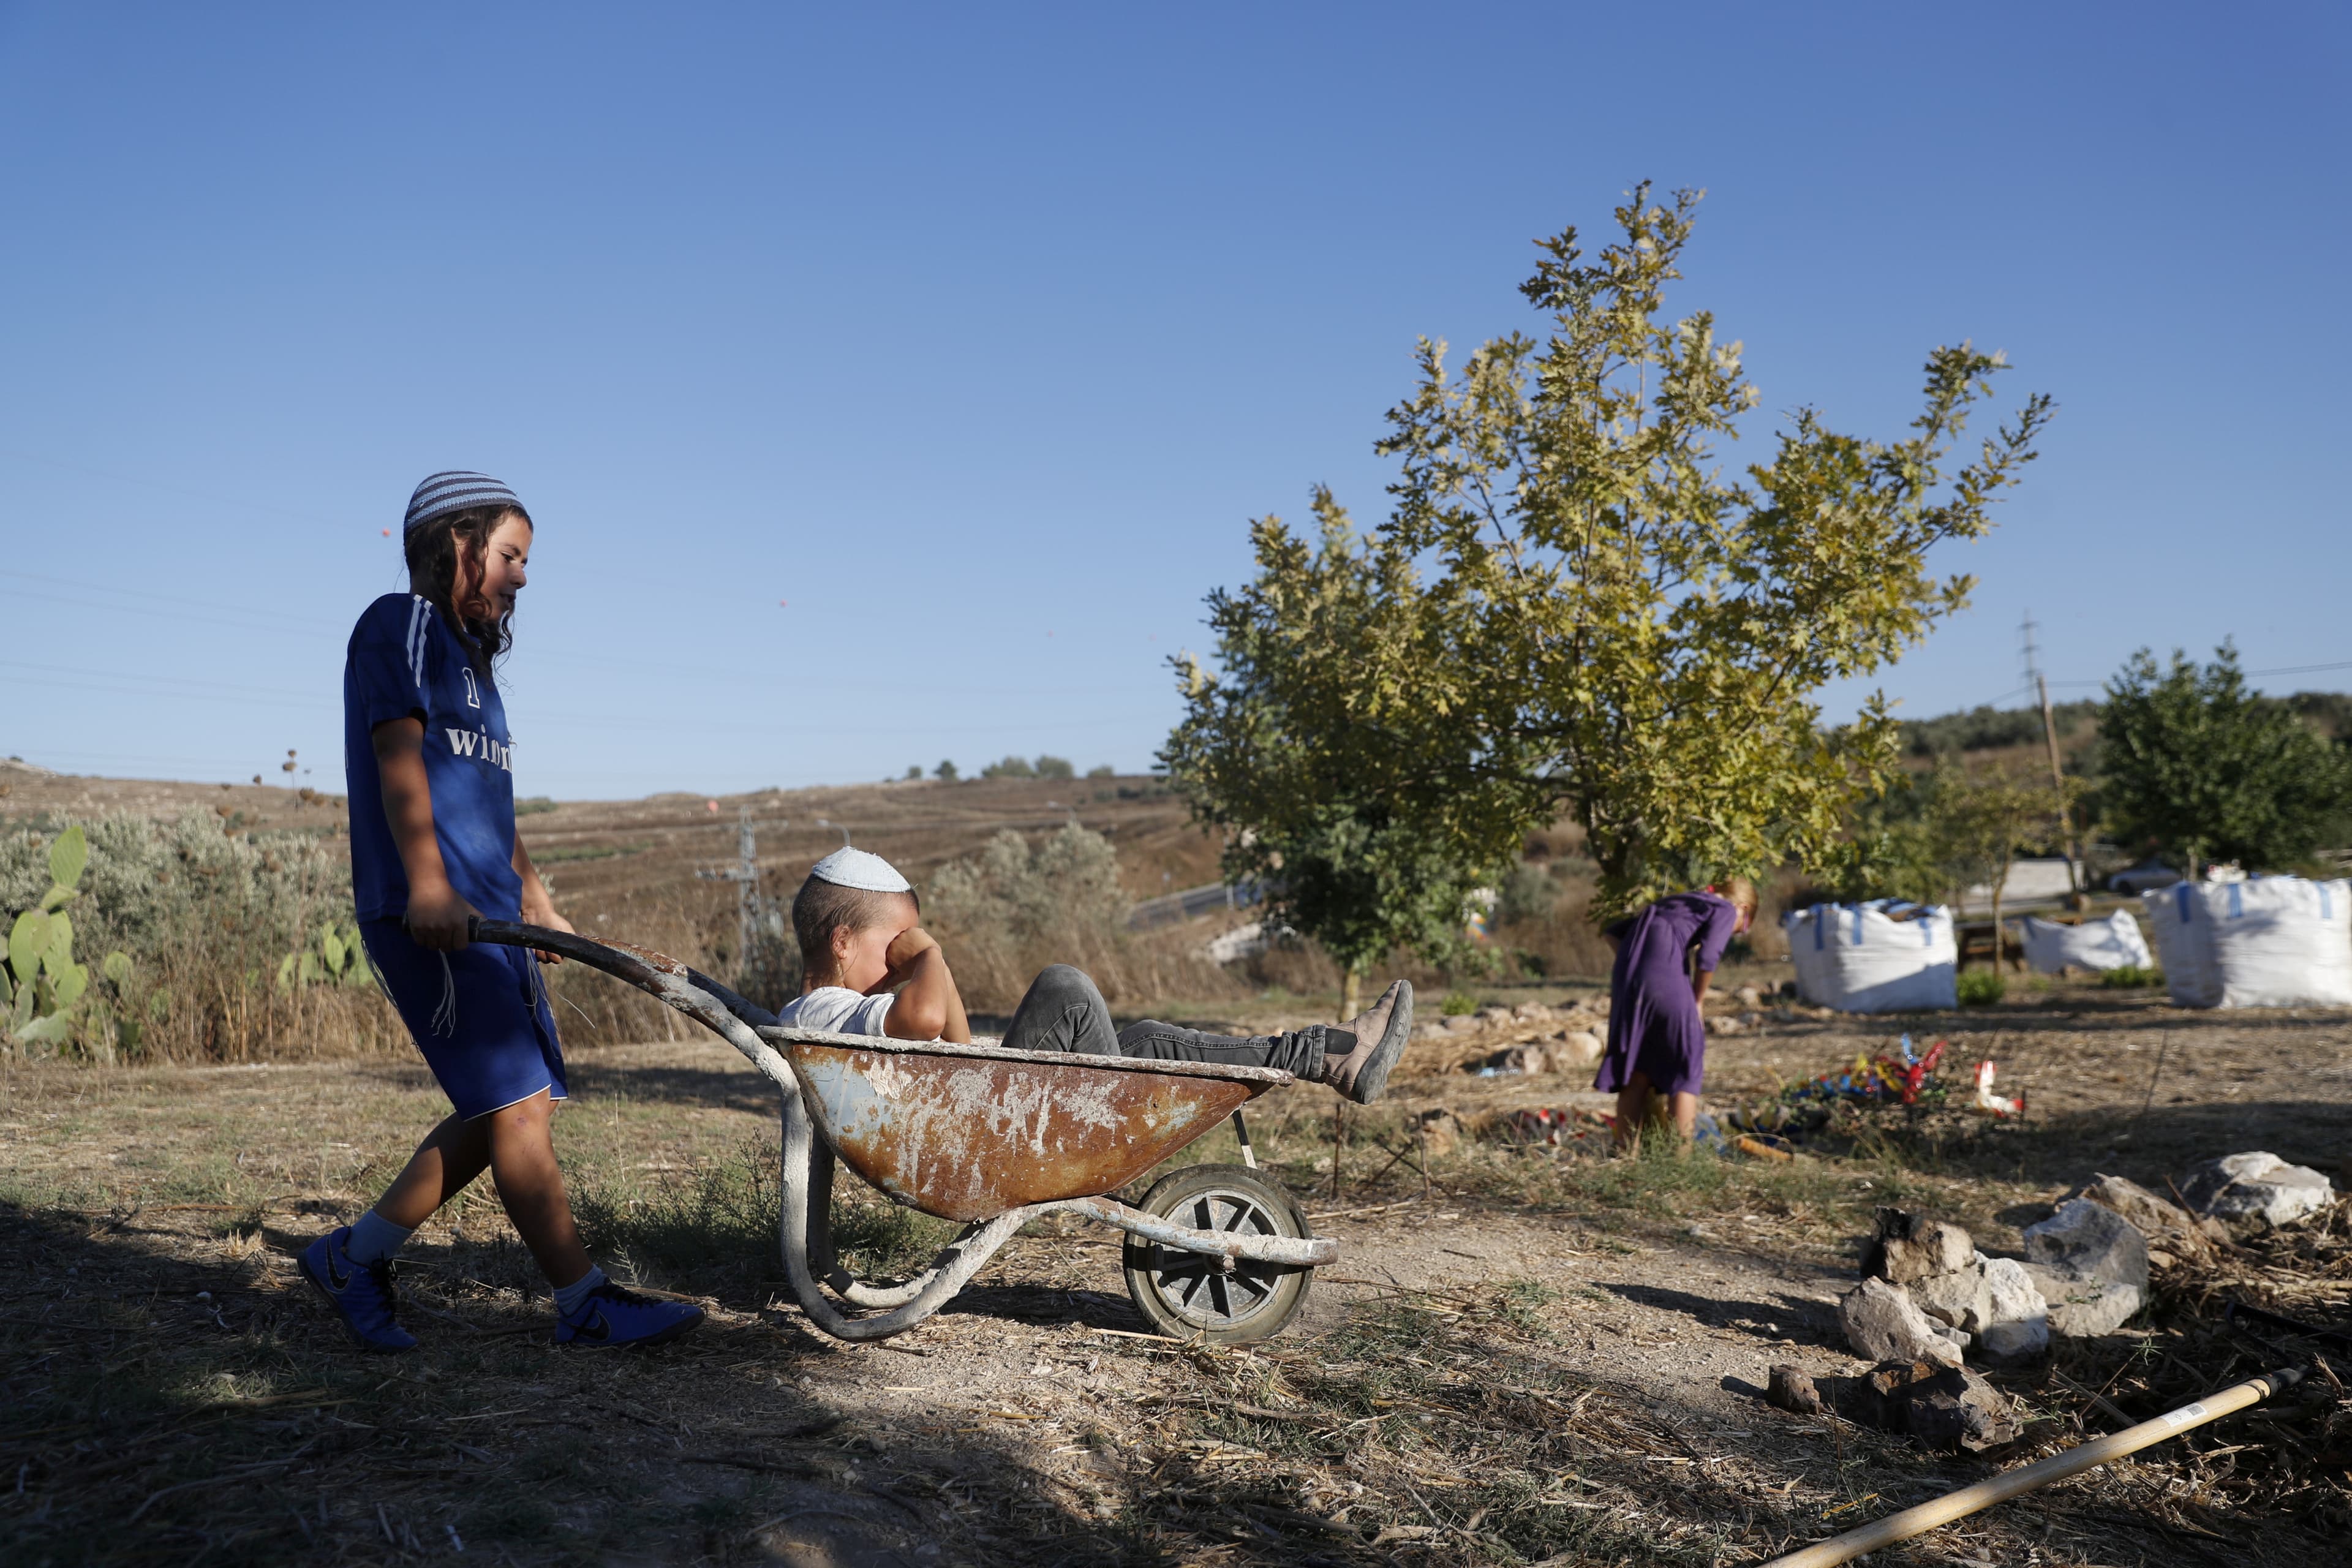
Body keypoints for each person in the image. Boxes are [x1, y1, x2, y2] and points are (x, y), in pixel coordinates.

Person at [298, 472, 703, 1353]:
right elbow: (397, 754)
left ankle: (350, 1258)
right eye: (512, 555)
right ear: (458, 542)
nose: (522, 578)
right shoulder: (399, 625)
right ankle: (584, 1302)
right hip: (431, 914)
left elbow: (490, 809)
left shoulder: (477, 667)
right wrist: (430, 888)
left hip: (492, 917)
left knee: (507, 1112)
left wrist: (539, 897)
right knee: (515, 1109)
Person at [774, 847, 1414, 1102]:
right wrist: (931, 956)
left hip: (979, 1109)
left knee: (1149, 1040)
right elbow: (928, 1018)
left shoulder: (831, 1012)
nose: (902, 956)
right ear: (842, 942)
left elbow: (955, 1043)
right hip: (989, 1125)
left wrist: (928, 966)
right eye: (894, 944)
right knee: (1064, 986)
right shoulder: (819, 1013)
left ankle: (1328, 1054)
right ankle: (1325, 1053)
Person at [1594, 876, 1758, 1148]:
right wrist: (1698, 1001)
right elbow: (1708, 957)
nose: (1737, 932)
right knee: (1686, 1067)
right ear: (1743, 907)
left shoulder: (1675, 903)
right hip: (1668, 983)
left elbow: (1612, 932)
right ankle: (1680, 1159)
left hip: (1629, 987)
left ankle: (1622, 1155)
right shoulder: (1725, 909)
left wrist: (1643, 964)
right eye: (1744, 926)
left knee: (1637, 1071)